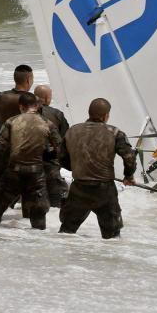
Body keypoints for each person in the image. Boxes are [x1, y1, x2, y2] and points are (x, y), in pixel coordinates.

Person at [0, 92, 63, 230]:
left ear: (20, 106)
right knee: (38, 218)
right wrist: (49, 155)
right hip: (36, 175)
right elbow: (61, 149)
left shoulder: (11, 122)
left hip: (13, 173)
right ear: (37, 106)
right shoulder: (47, 124)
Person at [59, 98, 136, 239]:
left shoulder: (72, 131)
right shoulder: (114, 132)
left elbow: (62, 158)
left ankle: (66, 259)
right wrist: (128, 176)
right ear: (105, 116)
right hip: (105, 191)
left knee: (66, 232)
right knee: (112, 236)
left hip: (79, 188)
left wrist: (76, 168)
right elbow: (129, 157)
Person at [33, 84, 70, 207]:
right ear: (47, 98)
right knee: (56, 201)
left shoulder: (21, 115)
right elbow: (65, 140)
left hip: (28, 161)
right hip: (51, 163)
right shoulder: (57, 114)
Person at [0, 65, 34, 138]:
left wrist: (2, 140)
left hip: (4, 145)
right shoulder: (33, 100)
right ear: (28, 80)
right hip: (26, 145)